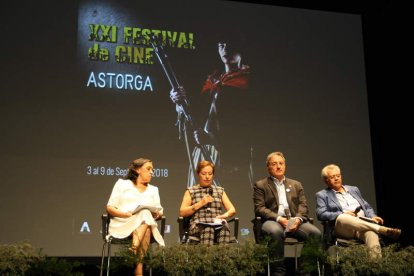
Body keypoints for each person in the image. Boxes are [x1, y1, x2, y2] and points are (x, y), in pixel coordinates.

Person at [170, 38, 251, 187]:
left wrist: (211, 138)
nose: (225, 47)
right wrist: (179, 101)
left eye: (229, 43)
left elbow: (245, 125)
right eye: (221, 44)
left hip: (230, 153)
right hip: (203, 148)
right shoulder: (214, 81)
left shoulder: (248, 80)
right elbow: (196, 113)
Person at [253, 151, 321, 275]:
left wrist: (298, 219)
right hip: (272, 221)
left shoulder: (296, 184)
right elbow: (260, 208)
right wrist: (279, 219)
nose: (278, 166)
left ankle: (304, 271)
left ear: (285, 166)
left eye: (281, 163)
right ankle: (278, 272)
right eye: (274, 164)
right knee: (275, 231)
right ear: (268, 167)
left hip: (294, 220)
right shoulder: (261, 185)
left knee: (315, 233)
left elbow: (303, 206)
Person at [316, 164, 401, 259]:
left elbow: (366, 207)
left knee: (371, 234)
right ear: (326, 180)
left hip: (362, 225)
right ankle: (380, 229)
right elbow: (321, 214)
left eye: (338, 176)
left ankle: (376, 267)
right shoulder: (322, 195)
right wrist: (342, 213)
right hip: (344, 228)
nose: (336, 178)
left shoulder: (353, 189)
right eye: (332, 177)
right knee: (343, 217)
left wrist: (372, 216)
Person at [106, 158, 164, 276]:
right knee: (145, 218)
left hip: (143, 224)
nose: (152, 172)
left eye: (152, 169)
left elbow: (159, 210)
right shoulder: (122, 184)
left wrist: (157, 214)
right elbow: (110, 207)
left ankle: (134, 251)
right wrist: (126, 214)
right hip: (123, 222)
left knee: (146, 214)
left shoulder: (153, 189)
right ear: (137, 170)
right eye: (148, 169)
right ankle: (138, 268)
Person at [179, 160, 236, 244]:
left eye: (210, 174)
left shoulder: (219, 190)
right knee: (208, 229)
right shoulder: (191, 191)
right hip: (198, 226)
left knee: (224, 228)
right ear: (198, 174)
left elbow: (232, 209)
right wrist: (201, 203)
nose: (207, 177)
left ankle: (222, 256)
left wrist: (224, 215)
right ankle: (206, 257)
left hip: (216, 224)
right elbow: (182, 212)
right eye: (204, 173)